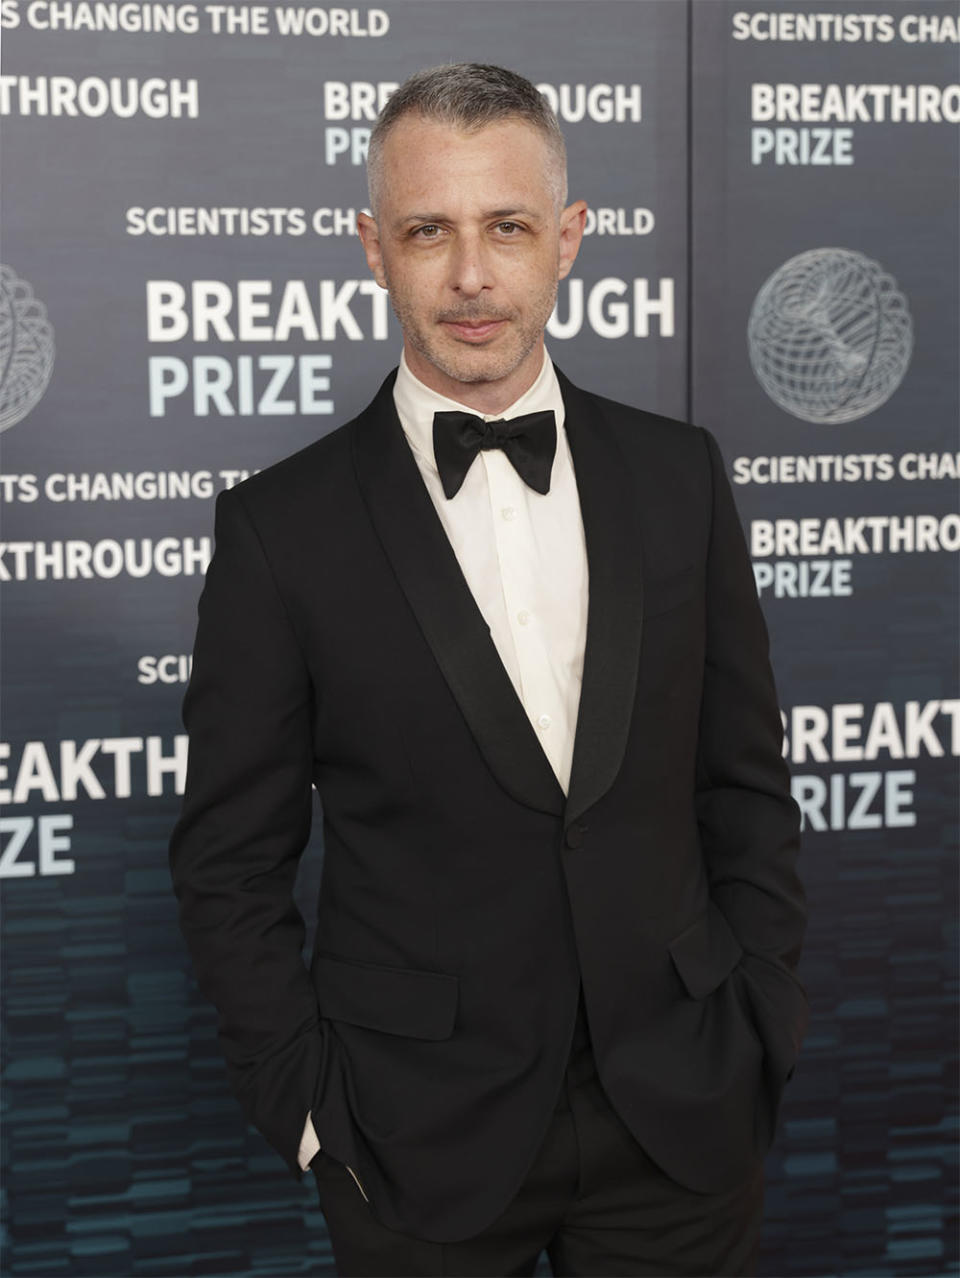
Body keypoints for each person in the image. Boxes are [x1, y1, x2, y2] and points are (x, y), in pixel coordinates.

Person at [169, 62, 808, 1277]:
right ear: (373, 247)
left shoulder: (680, 476)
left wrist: (761, 1015)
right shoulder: (280, 529)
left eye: (507, 227)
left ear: (568, 239)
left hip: (683, 1111)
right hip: (412, 1135)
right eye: (429, 231)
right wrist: (308, 1109)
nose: (471, 276)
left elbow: (745, 784)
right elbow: (228, 860)